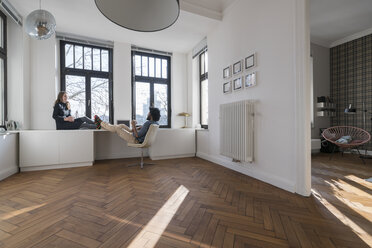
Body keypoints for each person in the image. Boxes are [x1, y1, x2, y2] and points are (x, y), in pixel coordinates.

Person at [94, 107, 160, 144]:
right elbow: (144, 132)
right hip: (139, 138)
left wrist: (133, 125)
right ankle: (102, 125)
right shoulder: (155, 123)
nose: (147, 114)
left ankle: (101, 123)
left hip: (135, 140)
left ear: (151, 115)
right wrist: (139, 127)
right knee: (122, 125)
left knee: (117, 128)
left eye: (149, 113)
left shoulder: (148, 123)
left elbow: (136, 135)